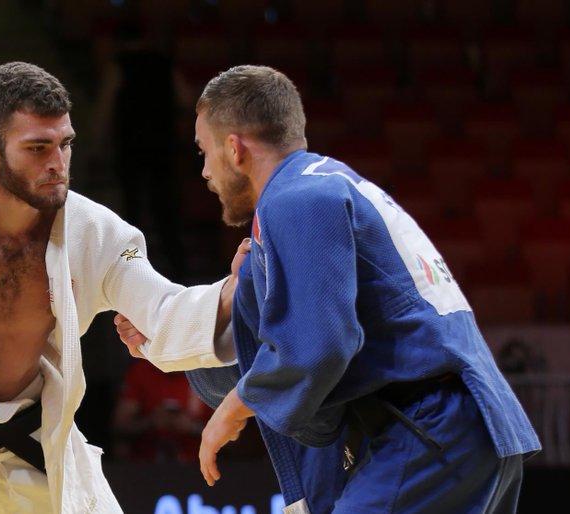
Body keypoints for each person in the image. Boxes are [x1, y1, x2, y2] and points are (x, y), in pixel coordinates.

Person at [116, 65, 540, 513]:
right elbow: (263, 348)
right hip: (451, 426)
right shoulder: (321, 186)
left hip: (431, 424)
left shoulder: (297, 201)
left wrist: (233, 409)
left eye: (204, 152)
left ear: (234, 149)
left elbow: (320, 345)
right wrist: (164, 343)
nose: (204, 171)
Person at [0, 61, 239, 513]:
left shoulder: (93, 231)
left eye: (64, 144)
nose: (57, 163)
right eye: (37, 148)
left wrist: (232, 294)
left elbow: (162, 309)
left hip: (38, 448)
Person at [112, 359, 212, 463]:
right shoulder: (142, 370)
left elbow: (224, 436)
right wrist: (151, 422)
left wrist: (192, 427)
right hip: (145, 464)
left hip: (197, 464)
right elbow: (119, 428)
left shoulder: (206, 372)